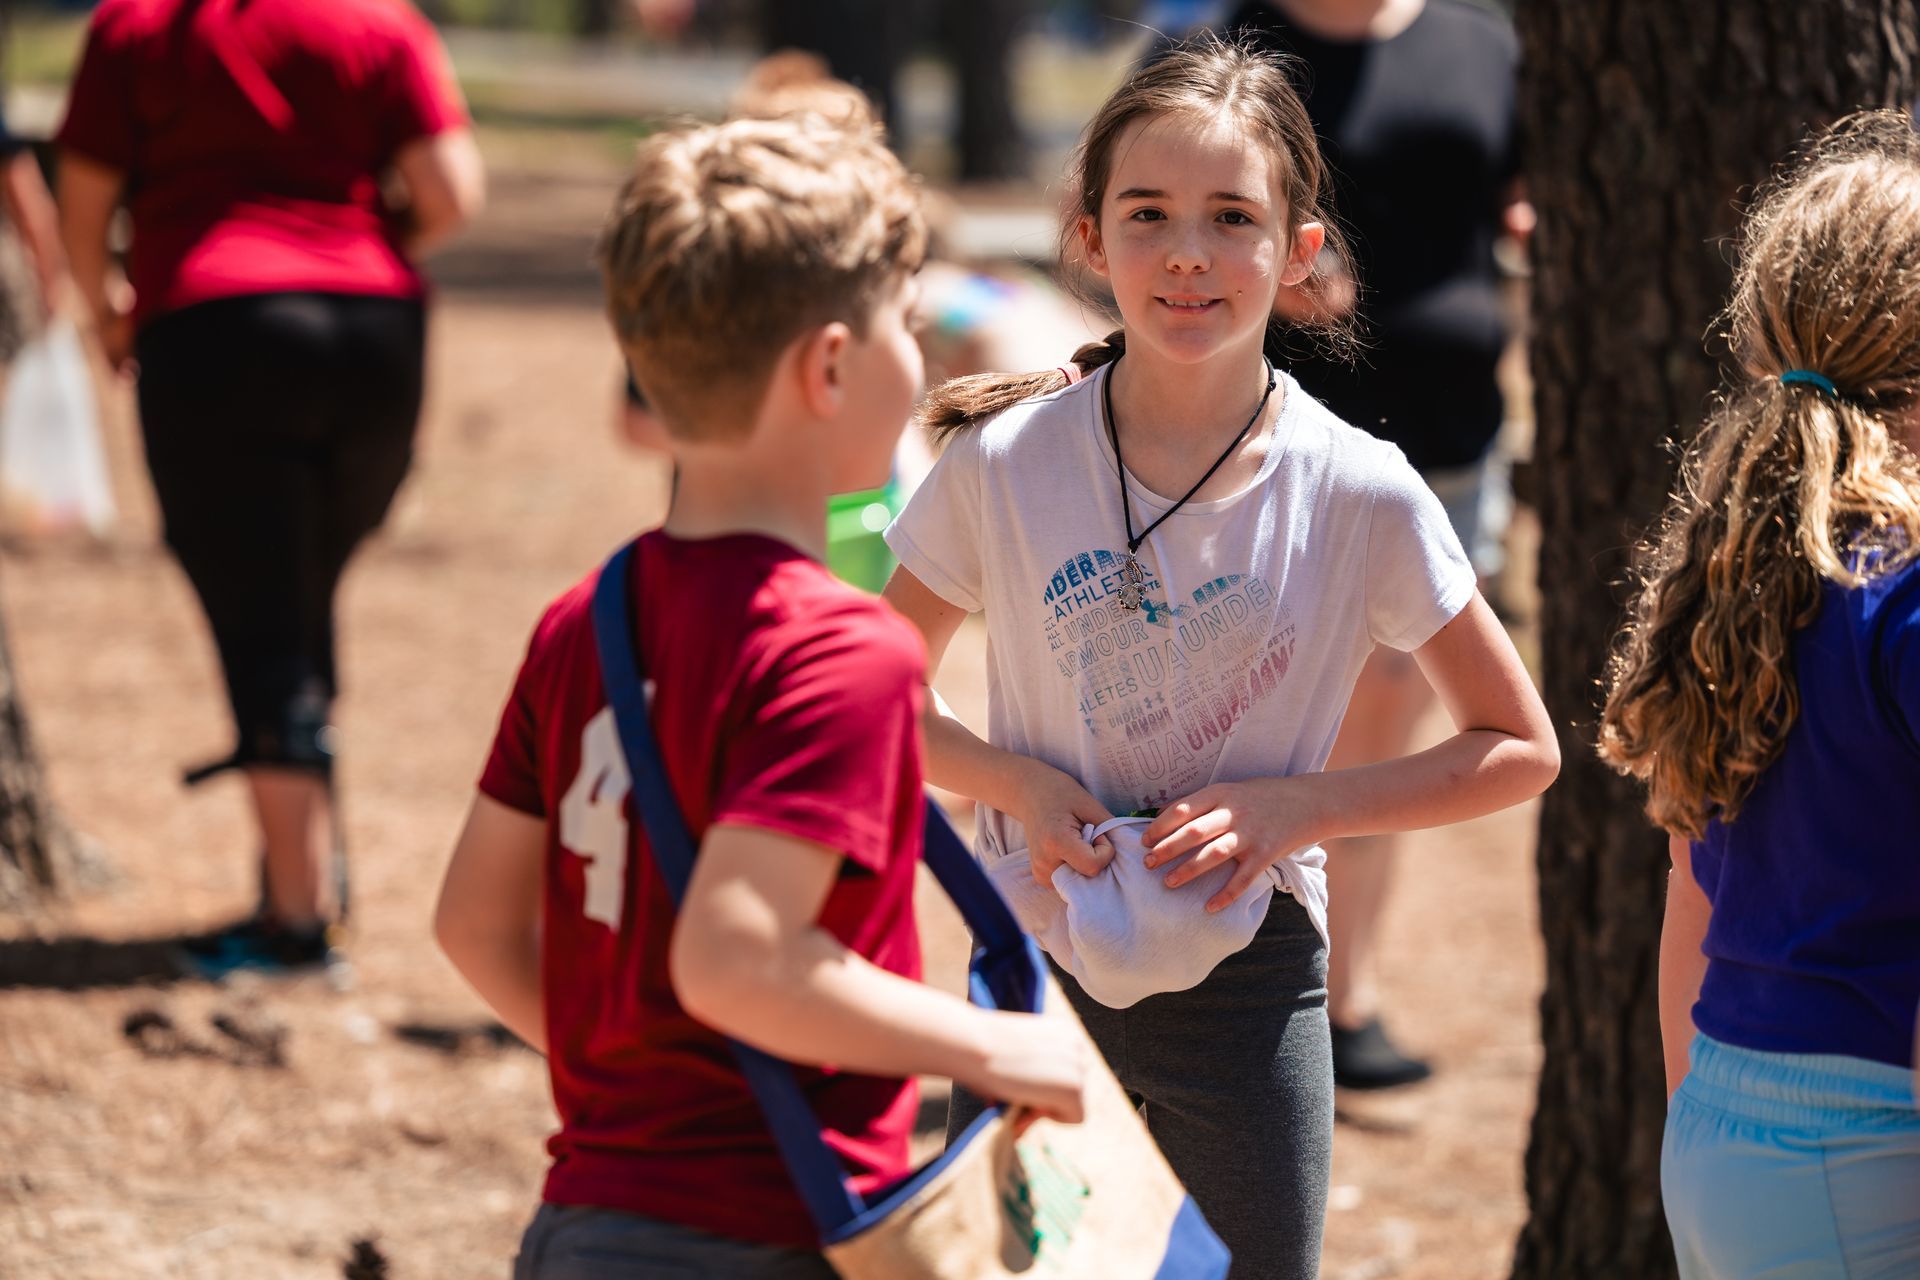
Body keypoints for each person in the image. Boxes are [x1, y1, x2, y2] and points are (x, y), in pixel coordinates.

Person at [881, 37, 1559, 1277]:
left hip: (1255, 984)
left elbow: (1519, 746)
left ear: (1301, 254)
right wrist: (1012, 783)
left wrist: (1292, 807)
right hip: (1039, 974)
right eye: (1148, 214)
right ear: (1089, 237)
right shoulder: (1006, 464)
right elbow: (868, 695)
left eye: (1231, 217)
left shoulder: (1361, 489)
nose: (1188, 252)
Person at [433, 114, 1090, 1279]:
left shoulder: (587, 616)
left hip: (586, 1223)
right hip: (769, 1234)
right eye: (903, 319)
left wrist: (639, 1091)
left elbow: (473, 927)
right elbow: (740, 961)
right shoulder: (842, 648)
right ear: (829, 366)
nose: (922, 352)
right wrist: (996, 1047)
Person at [55, 0, 483, 979]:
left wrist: (108, 313)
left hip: (211, 326)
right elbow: (453, 192)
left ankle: (294, 921)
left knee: (264, 624)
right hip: (377, 336)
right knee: (295, 599)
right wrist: (360, 246)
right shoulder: (381, 21)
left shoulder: (135, 26)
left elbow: (85, 203)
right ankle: (306, 871)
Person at [1185, 0, 1532, 1089]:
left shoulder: (1481, 42)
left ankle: (1344, 994)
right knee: (1258, 718)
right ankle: (1222, 980)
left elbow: (1516, 188)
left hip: (1452, 444)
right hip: (1273, 455)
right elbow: (1146, 218)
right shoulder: (1222, 50)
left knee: (1392, 717)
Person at [1598, 111, 1920, 1280]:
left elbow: (1690, 894)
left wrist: (1701, 1126)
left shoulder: (1742, 564)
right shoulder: (1904, 591)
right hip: (1875, 1133)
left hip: (1728, 1107)